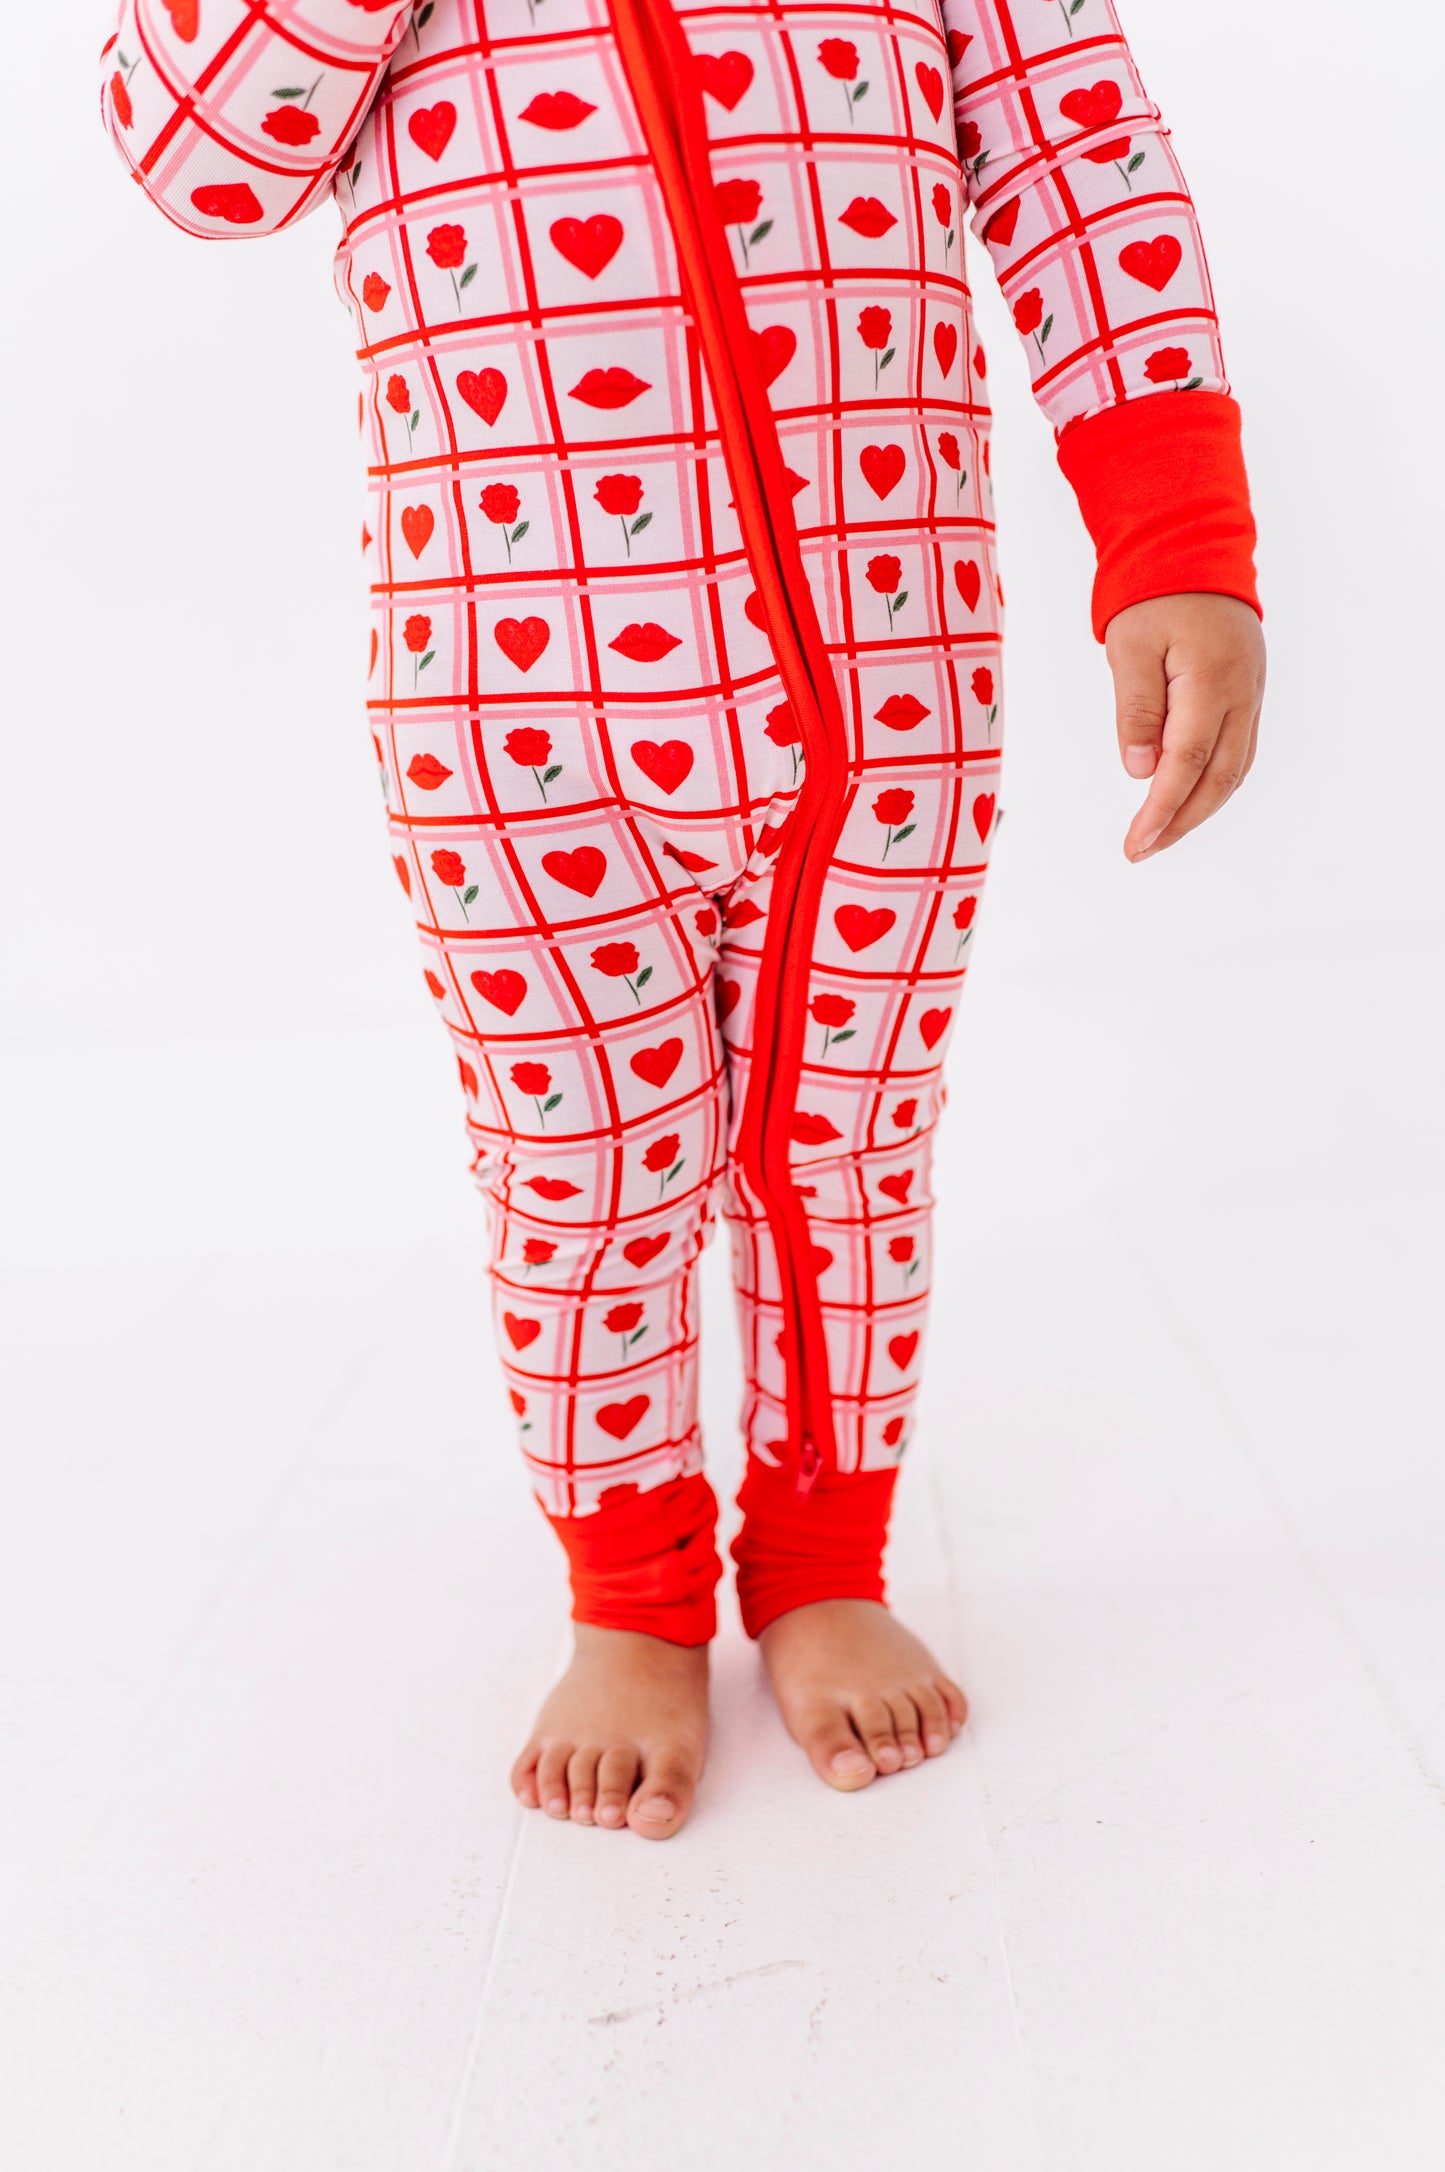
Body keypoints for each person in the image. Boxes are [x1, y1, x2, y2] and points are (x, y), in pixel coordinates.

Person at [100, 0, 1265, 1840]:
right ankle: (629, 1589)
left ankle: (819, 1557)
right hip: (513, 698)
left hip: (886, 671)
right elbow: (196, 159)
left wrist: (1173, 534)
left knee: (847, 1140)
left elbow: (1074, 150)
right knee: (580, 1162)